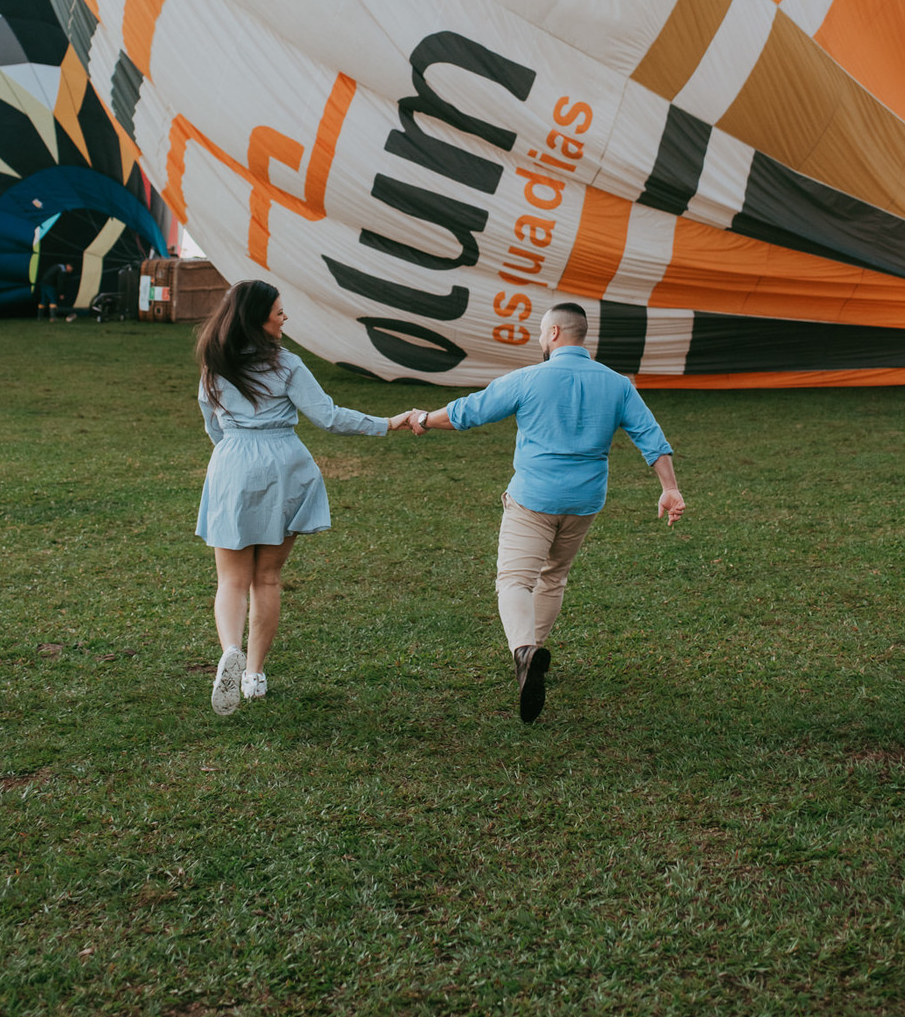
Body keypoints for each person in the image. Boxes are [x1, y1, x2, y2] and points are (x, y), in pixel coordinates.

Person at [406, 301, 684, 723]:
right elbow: (651, 436)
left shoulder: (529, 378)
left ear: (553, 333)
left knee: (514, 580)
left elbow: (469, 412)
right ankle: (533, 650)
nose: (540, 339)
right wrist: (670, 488)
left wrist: (424, 418)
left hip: (534, 498)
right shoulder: (617, 384)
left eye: (540, 332)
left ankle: (524, 651)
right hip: (585, 502)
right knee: (553, 576)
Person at [196, 279, 414, 714]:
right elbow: (329, 418)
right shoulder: (287, 365)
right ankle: (254, 674)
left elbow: (212, 424)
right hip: (285, 463)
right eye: (279, 312)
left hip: (232, 463)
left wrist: (234, 452)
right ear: (258, 320)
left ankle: (228, 651)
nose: (285, 317)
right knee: (268, 579)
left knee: (232, 580)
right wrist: (387, 422)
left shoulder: (213, 364)